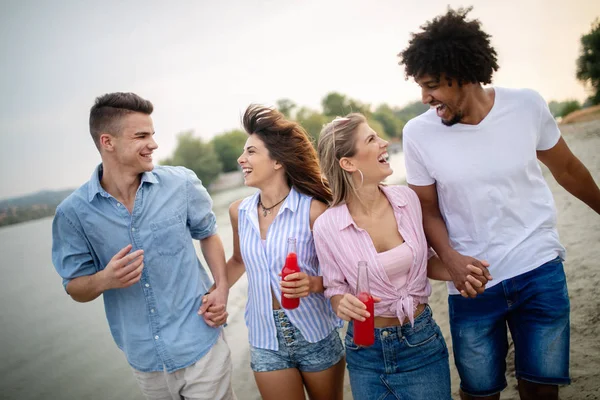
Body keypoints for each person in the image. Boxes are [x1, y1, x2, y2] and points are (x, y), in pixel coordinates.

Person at [398, 7, 600, 400]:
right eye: (421, 86)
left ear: (465, 73)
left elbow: (569, 169)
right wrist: (451, 259)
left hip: (538, 267)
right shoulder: (418, 133)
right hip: (473, 283)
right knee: (480, 392)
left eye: (434, 85)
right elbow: (426, 209)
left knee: (542, 387)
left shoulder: (525, 105)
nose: (425, 98)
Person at [51, 92, 235, 400]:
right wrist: (104, 280)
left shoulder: (181, 184)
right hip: (145, 359)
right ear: (108, 142)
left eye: (152, 134)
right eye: (141, 136)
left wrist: (222, 288)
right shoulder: (73, 214)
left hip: (200, 339)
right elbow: (74, 287)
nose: (153, 143)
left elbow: (208, 233)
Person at [312, 113, 489, 400]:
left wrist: (461, 270)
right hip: (364, 351)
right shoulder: (326, 226)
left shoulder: (407, 200)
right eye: (371, 139)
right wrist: (341, 303)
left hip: (420, 341)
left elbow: (425, 262)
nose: (384, 143)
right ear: (348, 163)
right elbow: (334, 287)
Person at [223, 105, 345, 400]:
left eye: (251, 152)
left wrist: (313, 283)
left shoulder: (315, 211)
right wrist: (215, 291)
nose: (241, 159)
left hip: (314, 332)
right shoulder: (239, 212)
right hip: (265, 337)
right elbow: (239, 260)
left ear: (277, 160)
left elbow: (341, 274)